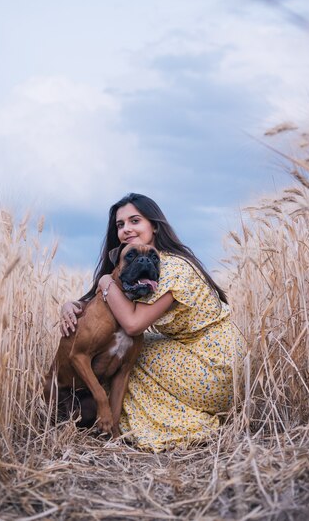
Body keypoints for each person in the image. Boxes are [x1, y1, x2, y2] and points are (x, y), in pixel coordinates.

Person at [60, 193, 242, 452]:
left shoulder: (172, 268)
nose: (126, 229)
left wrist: (106, 282)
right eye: (120, 225)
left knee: (130, 346)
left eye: (135, 220)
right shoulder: (153, 263)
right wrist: (71, 305)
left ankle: (137, 424)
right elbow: (99, 304)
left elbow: (132, 324)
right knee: (125, 344)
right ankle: (159, 416)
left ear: (154, 225)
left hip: (214, 363)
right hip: (218, 358)